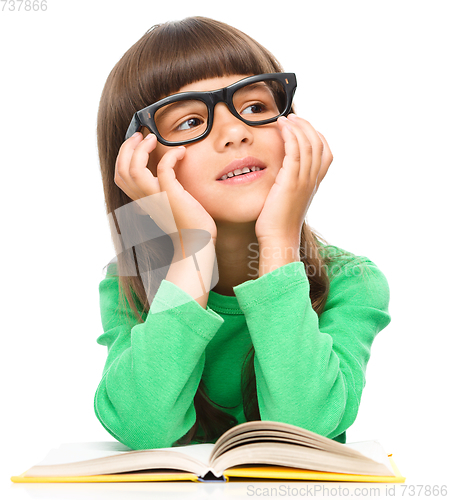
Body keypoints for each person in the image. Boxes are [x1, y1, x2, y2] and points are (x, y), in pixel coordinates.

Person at [94, 16, 391, 450]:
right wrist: (189, 247)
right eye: (190, 122)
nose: (236, 132)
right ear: (138, 161)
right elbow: (143, 430)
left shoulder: (353, 280)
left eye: (254, 107)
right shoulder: (131, 280)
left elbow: (306, 431)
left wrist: (279, 241)